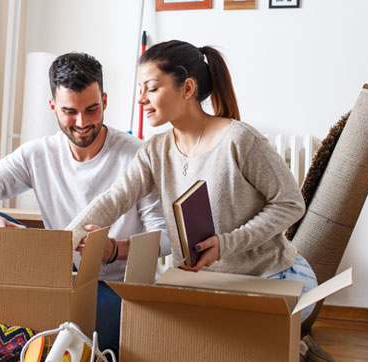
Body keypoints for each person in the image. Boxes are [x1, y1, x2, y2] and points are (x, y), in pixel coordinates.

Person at [66, 40, 318, 321]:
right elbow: (115, 198)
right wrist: (65, 240)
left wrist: (226, 244)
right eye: (140, 90)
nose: (141, 99)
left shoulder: (239, 140)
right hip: (202, 284)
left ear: (187, 88)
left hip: (273, 277)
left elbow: (291, 204)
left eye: (151, 88)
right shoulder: (155, 151)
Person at [0, 52, 170, 355]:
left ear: (105, 101)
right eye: (70, 112)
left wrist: (114, 251)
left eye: (92, 110)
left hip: (120, 287)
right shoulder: (39, 154)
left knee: (78, 326)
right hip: (63, 279)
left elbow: (166, 236)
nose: (82, 123)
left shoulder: (137, 156)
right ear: (53, 107)